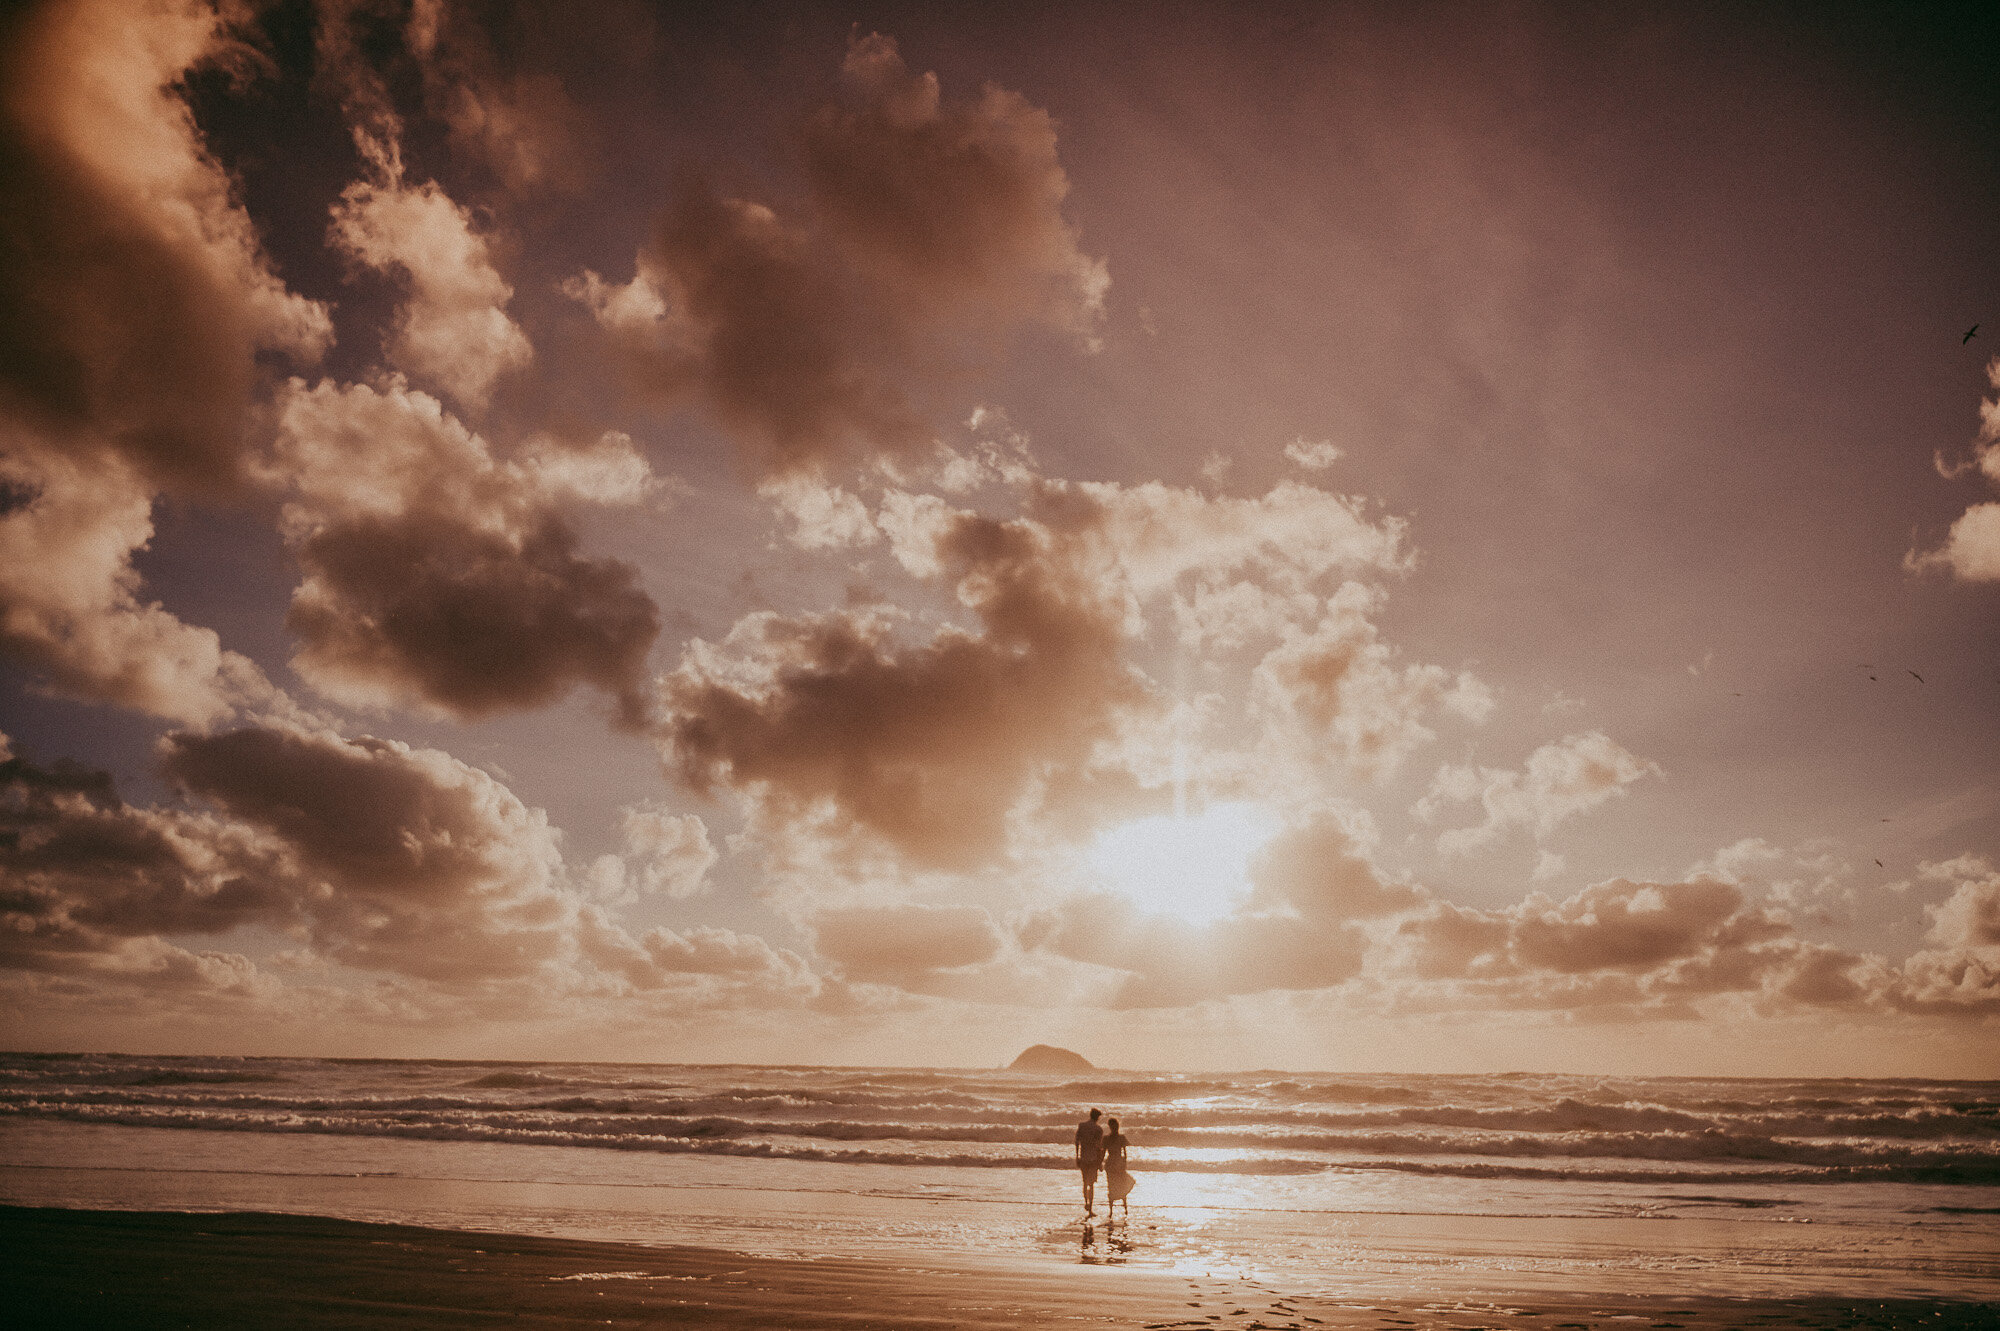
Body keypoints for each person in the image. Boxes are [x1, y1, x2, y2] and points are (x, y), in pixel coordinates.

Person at [1074, 1107, 1105, 1214]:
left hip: (1083, 1158)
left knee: (1084, 1182)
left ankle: (1086, 1202)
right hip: (1093, 1159)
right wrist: (1100, 1162)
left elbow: (1077, 1142)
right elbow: (1099, 1147)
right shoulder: (1098, 1129)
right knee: (1091, 1185)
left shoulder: (1082, 1126)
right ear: (1097, 1117)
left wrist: (1077, 1156)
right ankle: (1090, 1208)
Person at [1102, 1116, 1133, 1218]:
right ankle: (1124, 1209)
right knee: (1121, 1185)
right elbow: (1125, 1153)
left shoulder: (1106, 1138)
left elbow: (1103, 1153)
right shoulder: (1121, 1138)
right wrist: (1124, 1164)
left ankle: (1112, 1211)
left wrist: (1100, 1163)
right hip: (1117, 1163)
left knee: (1112, 1186)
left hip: (1111, 1163)